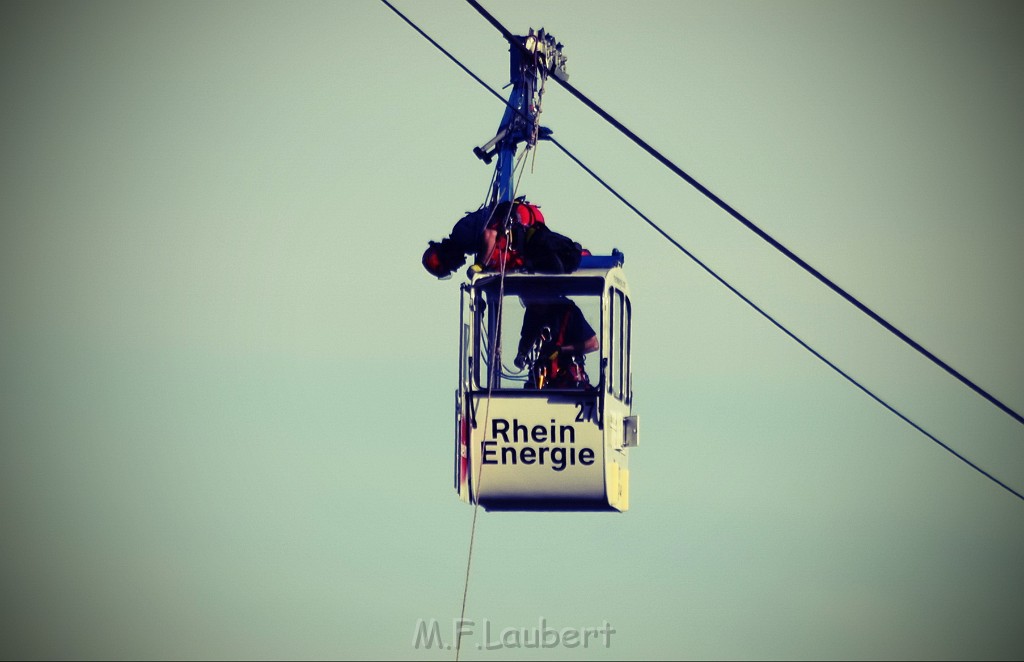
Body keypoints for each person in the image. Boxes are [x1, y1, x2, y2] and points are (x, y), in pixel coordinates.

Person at [421, 199, 586, 279]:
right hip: (526, 230)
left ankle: (580, 256)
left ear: (447, 256)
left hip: (521, 224)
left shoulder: (461, 235)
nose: (456, 268)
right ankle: (582, 255)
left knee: (559, 259)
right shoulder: (467, 243)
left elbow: (490, 234)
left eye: (451, 266)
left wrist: (481, 266)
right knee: (557, 261)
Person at [514, 294, 599, 389]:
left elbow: (593, 344)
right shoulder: (532, 311)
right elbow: (527, 338)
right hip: (542, 374)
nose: (534, 307)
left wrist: (561, 350)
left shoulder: (569, 310)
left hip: (568, 377)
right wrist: (521, 355)